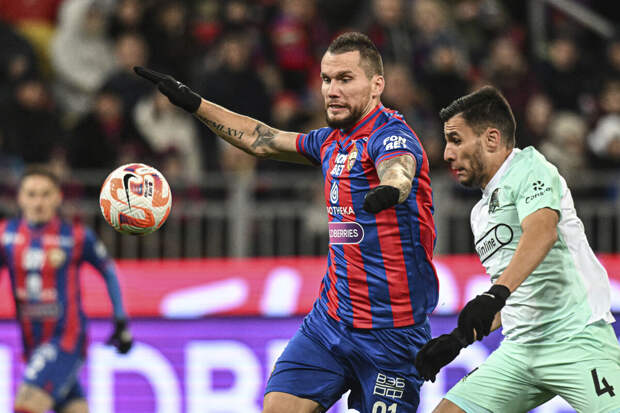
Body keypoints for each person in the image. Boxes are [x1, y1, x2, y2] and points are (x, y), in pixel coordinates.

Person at [135, 31, 438, 412]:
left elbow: (399, 167)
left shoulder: (391, 135)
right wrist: (194, 103)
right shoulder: (330, 142)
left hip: (392, 335)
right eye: (326, 79)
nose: (332, 90)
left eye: (345, 79)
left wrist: (393, 188)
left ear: (377, 85)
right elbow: (261, 139)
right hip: (331, 321)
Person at [415, 86, 620, 413]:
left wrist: (495, 294)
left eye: (456, 140)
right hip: (520, 351)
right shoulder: (480, 214)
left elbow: (542, 232)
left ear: (491, 139)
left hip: (576, 339)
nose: (447, 154)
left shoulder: (529, 167)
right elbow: (511, 293)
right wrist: (458, 339)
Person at [1, 167, 133, 413]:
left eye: (45, 194)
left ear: (58, 197)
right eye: (31, 194)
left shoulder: (76, 236)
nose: (38, 202)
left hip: (67, 339)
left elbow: (108, 271)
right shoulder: (6, 235)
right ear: (19, 198)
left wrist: (121, 320)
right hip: (32, 341)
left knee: (26, 404)